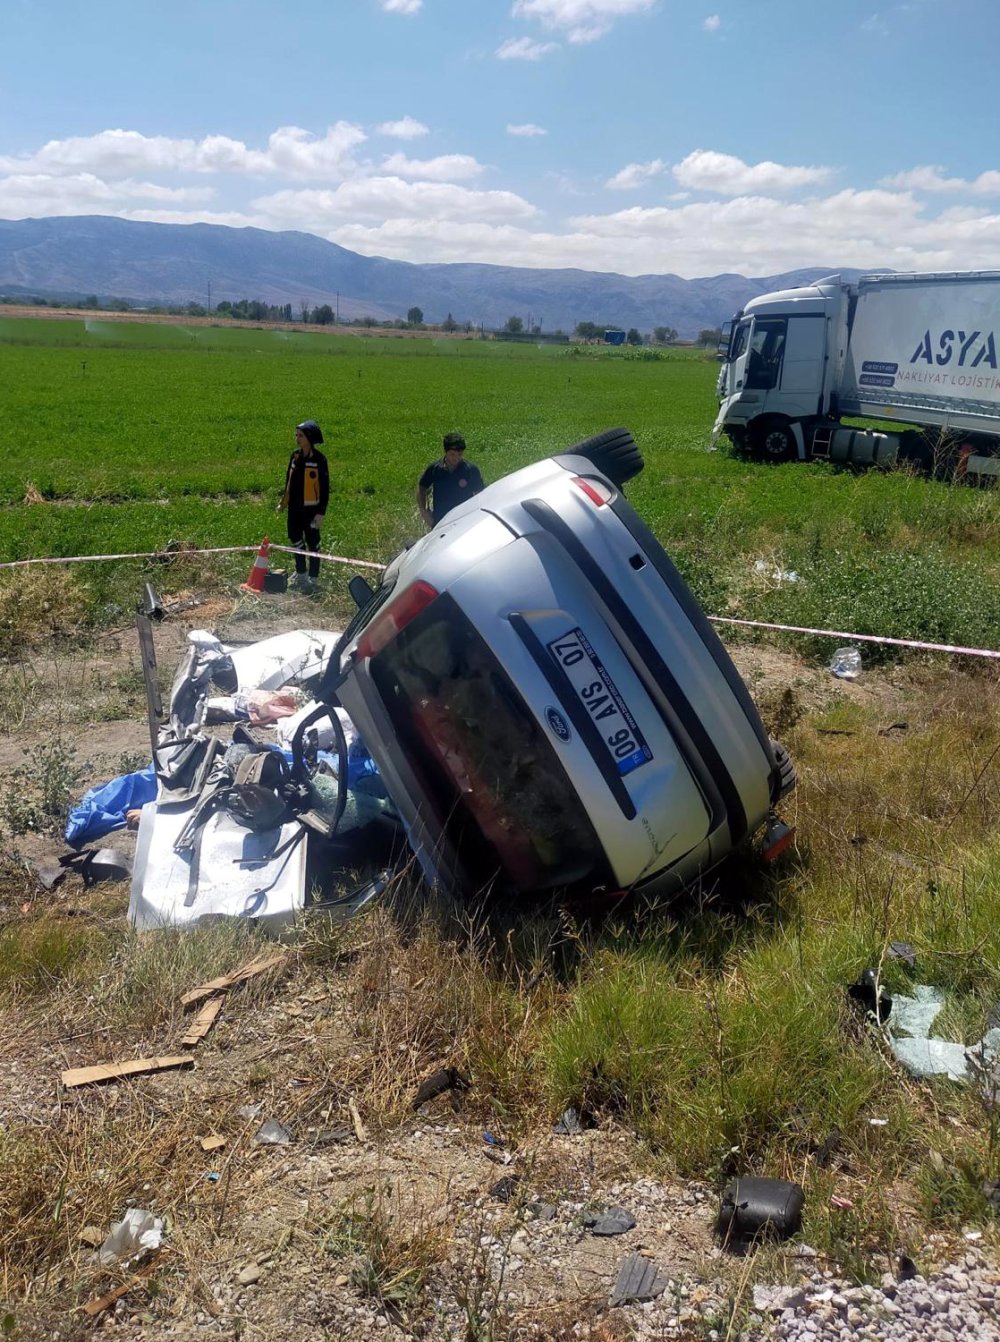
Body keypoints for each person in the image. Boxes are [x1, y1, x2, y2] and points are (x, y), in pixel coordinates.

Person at [277, 419, 329, 592]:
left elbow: (325, 488)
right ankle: (301, 573)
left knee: (313, 543)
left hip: (312, 511)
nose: (297, 438)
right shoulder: (295, 456)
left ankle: (313, 577)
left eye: (300, 435)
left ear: (309, 438)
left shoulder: (320, 460)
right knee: (295, 537)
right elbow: (288, 481)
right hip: (295, 508)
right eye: (296, 435)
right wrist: (284, 502)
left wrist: (321, 512)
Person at [416, 432, 485, 530]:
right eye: (452, 454)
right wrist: (424, 511)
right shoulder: (434, 469)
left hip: (465, 522)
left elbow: (481, 495)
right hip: (440, 523)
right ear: (445, 451)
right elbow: (422, 487)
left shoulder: (471, 470)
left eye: (460, 454)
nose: (456, 458)